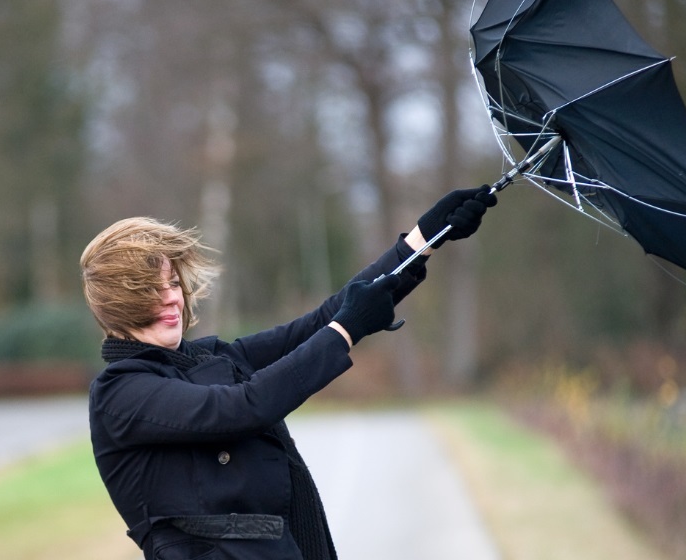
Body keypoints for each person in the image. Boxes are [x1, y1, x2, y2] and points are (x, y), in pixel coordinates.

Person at [81, 186, 497, 560]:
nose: (172, 298)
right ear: (119, 303)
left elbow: (319, 323)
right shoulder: (121, 394)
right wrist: (346, 329)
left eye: (173, 283)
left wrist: (422, 241)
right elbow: (243, 408)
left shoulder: (208, 359)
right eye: (152, 291)